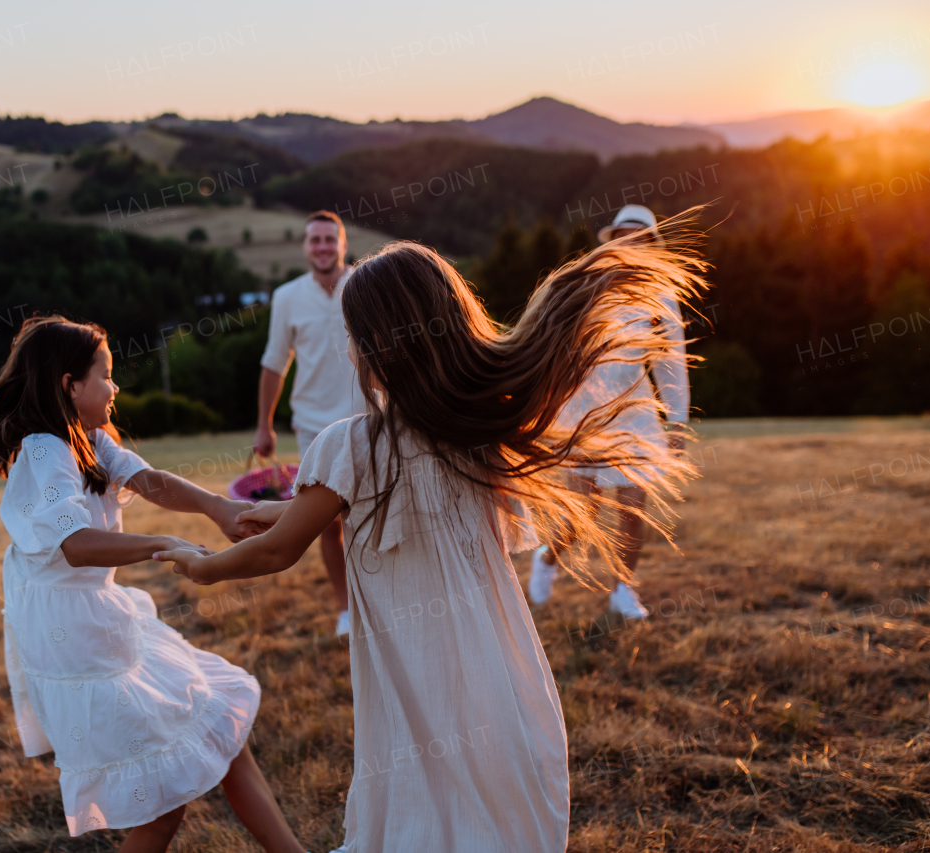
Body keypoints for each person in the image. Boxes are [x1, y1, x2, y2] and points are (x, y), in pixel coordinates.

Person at [155, 231, 706, 852]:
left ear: (375, 347)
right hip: (497, 667)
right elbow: (381, 501)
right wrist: (293, 508)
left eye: (352, 335)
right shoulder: (477, 429)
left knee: (422, 794)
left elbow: (279, 551)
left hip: (414, 674)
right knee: (489, 800)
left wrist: (203, 567)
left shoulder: (349, 444)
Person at [0, 316, 304, 853]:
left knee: (217, 726)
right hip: (74, 641)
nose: (114, 386)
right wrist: (161, 543)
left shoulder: (89, 439)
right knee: (162, 811)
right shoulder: (43, 450)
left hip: (102, 621)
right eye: (105, 374)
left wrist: (219, 507)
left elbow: (150, 480)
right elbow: (74, 544)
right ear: (69, 385)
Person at [526, 204, 691, 619]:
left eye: (640, 236)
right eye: (623, 235)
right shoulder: (585, 284)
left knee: (633, 512)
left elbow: (670, 361)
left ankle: (623, 591)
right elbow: (553, 345)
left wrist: (678, 421)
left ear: (652, 244)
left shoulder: (662, 294)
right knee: (582, 516)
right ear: (613, 240)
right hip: (584, 412)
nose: (631, 242)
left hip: (635, 413)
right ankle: (547, 559)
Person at [255, 210, 368, 637]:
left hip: (365, 417)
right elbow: (273, 363)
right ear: (305, 247)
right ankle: (346, 610)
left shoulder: (364, 282)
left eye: (329, 239)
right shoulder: (287, 297)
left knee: (374, 512)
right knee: (326, 521)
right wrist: (264, 425)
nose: (322, 247)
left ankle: (375, 601)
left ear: (342, 243)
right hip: (313, 427)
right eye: (314, 240)